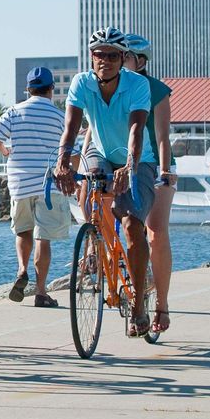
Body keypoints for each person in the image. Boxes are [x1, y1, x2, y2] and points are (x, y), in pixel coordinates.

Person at [53, 27, 156, 336]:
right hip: (99, 150)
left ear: (123, 58)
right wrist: (62, 162)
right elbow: (71, 127)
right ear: (91, 57)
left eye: (113, 56)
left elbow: (136, 130)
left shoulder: (137, 84)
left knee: (131, 224)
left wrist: (130, 165)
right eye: (100, 55)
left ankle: (138, 302)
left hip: (137, 157)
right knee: (91, 195)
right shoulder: (81, 83)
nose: (105, 61)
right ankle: (95, 250)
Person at [0, 66, 69, 307]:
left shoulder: (14, 111)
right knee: (43, 237)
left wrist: (5, 151)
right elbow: (69, 150)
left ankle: (22, 270)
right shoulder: (59, 116)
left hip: (20, 183)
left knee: (23, 231)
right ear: (51, 88)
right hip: (47, 184)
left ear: (28, 89)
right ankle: (41, 292)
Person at [123, 34, 174, 334]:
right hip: (123, 164)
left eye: (124, 56)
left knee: (156, 231)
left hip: (155, 165)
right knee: (126, 230)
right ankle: (135, 300)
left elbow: (163, 135)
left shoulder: (156, 89)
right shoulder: (112, 86)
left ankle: (162, 305)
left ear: (140, 61)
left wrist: (165, 171)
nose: (118, 61)